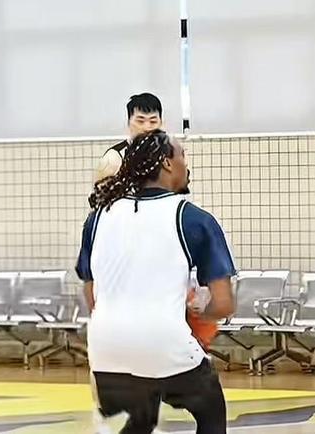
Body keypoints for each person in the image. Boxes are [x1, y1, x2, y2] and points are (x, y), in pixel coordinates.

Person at [86, 130, 235, 433]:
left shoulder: (98, 217)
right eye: (183, 156)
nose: (186, 165)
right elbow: (223, 305)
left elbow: (91, 294)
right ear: (167, 163)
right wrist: (197, 314)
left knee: (142, 416)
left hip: (105, 351)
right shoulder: (192, 219)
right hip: (163, 344)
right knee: (211, 411)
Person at [77, 92, 166, 311]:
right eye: (140, 121)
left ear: (161, 123)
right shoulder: (114, 158)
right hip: (122, 246)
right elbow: (100, 205)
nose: (147, 127)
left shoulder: (169, 159)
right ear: (128, 123)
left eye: (153, 121)